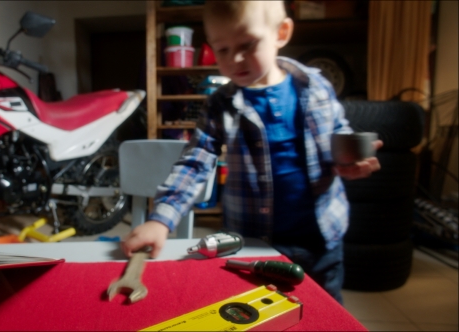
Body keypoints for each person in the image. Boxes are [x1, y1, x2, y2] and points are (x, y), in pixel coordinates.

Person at [121, 0, 382, 304]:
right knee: (252, 310)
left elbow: (339, 131)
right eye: (222, 49)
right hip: (253, 243)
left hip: (322, 239)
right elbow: (194, 164)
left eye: (248, 44)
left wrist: (350, 159)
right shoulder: (219, 104)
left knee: (322, 310)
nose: (236, 59)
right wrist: (161, 219)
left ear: (281, 33)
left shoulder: (316, 85)